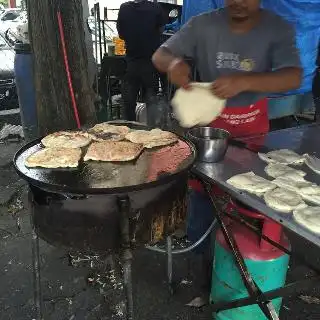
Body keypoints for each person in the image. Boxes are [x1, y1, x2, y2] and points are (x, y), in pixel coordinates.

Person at [153, 0, 302, 300]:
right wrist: (173, 64)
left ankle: (239, 282)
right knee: (202, 209)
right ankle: (201, 282)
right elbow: (160, 54)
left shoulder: (275, 28)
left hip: (252, 139)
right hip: (208, 138)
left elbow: (293, 76)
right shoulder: (203, 25)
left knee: (246, 211)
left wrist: (247, 80)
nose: (239, 2)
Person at [117, 0, 167, 122]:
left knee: (128, 104)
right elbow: (161, 30)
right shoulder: (156, 8)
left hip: (131, 63)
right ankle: (152, 133)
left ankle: (129, 131)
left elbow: (121, 34)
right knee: (151, 103)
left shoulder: (124, 8)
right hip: (150, 64)